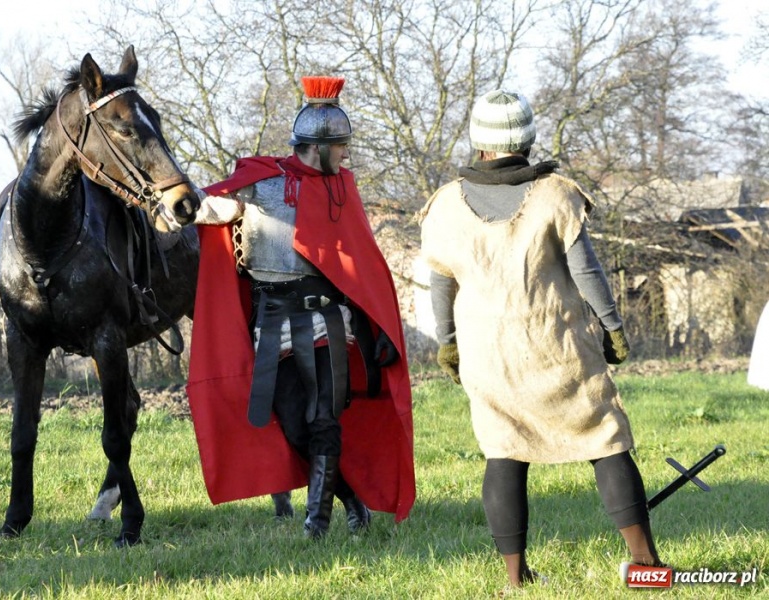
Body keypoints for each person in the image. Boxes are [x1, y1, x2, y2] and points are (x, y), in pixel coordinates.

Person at [419, 89, 664, 587]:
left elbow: (440, 284)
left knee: (504, 450)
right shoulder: (555, 194)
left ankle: (516, 579)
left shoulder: (444, 205)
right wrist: (613, 327)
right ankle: (645, 564)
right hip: (559, 347)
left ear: (478, 140)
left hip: (488, 357)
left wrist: (448, 342)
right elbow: (588, 272)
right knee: (607, 439)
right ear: (527, 137)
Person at [186, 76, 415, 538]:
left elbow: (362, 262)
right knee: (293, 423)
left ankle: (316, 524)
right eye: (341, 147)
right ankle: (350, 498)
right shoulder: (262, 184)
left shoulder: (341, 190)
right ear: (317, 146)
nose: (346, 155)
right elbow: (208, 211)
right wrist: (174, 203)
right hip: (273, 321)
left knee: (324, 417)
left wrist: (381, 327)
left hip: (329, 319)